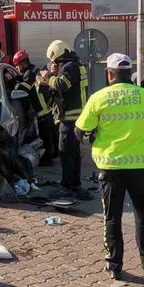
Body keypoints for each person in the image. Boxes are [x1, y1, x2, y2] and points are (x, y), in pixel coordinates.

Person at [76, 53, 144, 280]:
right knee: (143, 213)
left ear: (109, 74)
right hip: (140, 166)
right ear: (130, 74)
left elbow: (80, 131)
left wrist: (93, 138)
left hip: (110, 167)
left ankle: (114, 265)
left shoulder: (98, 98)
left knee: (112, 217)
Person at [46, 40, 92, 200]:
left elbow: (62, 85)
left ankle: (67, 186)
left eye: (55, 60)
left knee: (65, 152)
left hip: (70, 118)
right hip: (78, 116)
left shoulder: (69, 67)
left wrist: (47, 78)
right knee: (74, 152)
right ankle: (75, 184)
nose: (55, 63)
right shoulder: (76, 64)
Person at [13, 50, 55, 166]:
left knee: (44, 136)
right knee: (49, 134)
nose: (17, 68)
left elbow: (23, 89)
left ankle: (47, 159)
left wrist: (13, 82)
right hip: (45, 107)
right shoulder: (34, 69)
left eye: (17, 66)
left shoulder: (29, 73)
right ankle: (52, 154)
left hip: (41, 109)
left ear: (22, 64)